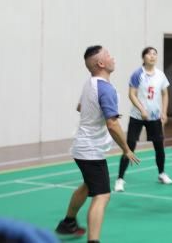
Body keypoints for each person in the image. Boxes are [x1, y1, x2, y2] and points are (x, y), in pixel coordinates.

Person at [53, 46, 140, 241]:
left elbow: (81, 107)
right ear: (101, 63)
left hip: (83, 147)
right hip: (90, 150)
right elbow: (112, 124)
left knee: (88, 185)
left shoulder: (90, 83)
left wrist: (100, 112)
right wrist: (126, 149)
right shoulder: (106, 89)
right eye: (108, 55)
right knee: (102, 195)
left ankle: (68, 223)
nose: (112, 57)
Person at [115, 46, 171, 191]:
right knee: (130, 146)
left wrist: (164, 112)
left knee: (159, 146)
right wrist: (142, 109)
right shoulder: (137, 74)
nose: (152, 56)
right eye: (149, 54)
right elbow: (131, 94)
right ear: (143, 57)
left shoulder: (160, 75)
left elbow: (165, 94)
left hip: (154, 117)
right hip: (137, 116)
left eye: (154, 54)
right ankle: (120, 179)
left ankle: (162, 173)